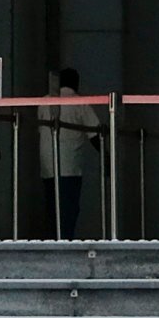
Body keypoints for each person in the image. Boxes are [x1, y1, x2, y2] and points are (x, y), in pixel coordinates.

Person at [39, 64, 96, 240]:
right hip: (70, 167)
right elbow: (94, 133)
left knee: (52, 210)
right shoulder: (79, 102)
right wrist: (108, 156)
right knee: (69, 210)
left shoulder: (43, 102)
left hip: (48, 166)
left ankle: (54, 242)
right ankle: (66, 243)